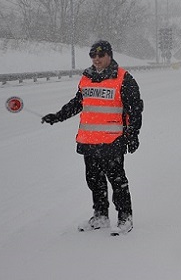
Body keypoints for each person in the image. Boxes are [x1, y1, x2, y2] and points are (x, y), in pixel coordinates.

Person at [41, 40, 144, 235]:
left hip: (113, 140)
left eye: (100, 55)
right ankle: (100, 216)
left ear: (109, 56)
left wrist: (133, 134)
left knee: (117, 180)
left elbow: (135, 109)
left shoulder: (124, 78)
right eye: (93, 55)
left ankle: (125, 217)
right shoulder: (87, 77)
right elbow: (78, 102)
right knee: (94, 180)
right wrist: (58, 116)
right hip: (89, 140)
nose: (96, 59)